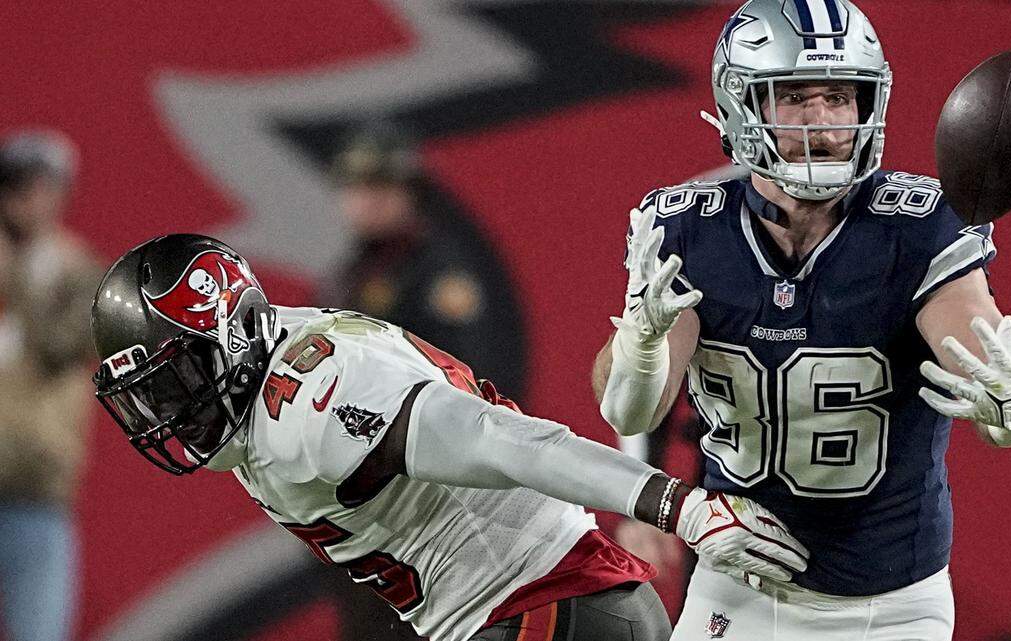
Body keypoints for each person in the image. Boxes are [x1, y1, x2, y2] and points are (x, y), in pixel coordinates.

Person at [89, 234, 810, 641]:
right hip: (524, 609)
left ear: (238, 334)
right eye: (152, 393)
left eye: (178, 379)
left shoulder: (313, 400)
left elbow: (506, 440)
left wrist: (675, 506)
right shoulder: (266, 371)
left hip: (550, 608)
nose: (170, 412)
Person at [592, 1, 1011, 639]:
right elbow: (630, 412)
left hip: (892, 602)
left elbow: (982, 352)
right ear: (738, 104)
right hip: (740, 584)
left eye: (839, 97)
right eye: (795, 96)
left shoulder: (915, 227)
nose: (822, 122)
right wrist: (639, 345)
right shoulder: (690, 230)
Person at [327, 130, 527, 398]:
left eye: (383, 187)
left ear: (413, 194)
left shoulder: (440, 270)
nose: (368, 201)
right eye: (358, 187)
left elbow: (474, 374)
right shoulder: (353, 271)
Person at [0, 130, 101, 641]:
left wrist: (22, 272)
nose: (28, 200)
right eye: (17, 186)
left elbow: (57, 348)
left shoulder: (77, 272)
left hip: (34, 485)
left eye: (43, 187)